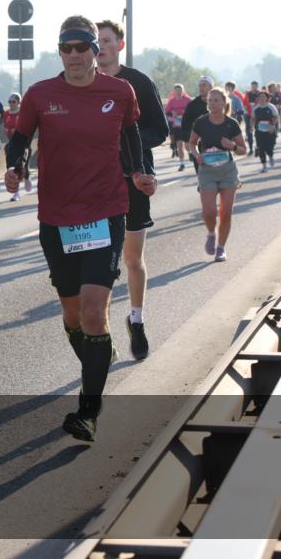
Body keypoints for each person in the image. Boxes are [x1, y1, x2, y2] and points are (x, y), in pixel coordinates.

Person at [4, 15, 155, 442]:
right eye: (65, 48)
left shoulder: (119, 91)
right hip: (56, 216)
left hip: (106, 211)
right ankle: (98, 360)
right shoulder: (40, 94)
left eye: (80, 47)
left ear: (96, 49)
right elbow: (20, 140)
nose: (73, 55)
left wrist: (139, 173)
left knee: (94, 310)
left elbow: (130, 138)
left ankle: (88, 410)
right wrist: (15, 167)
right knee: (72, 314)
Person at [97, 19, 168, 361]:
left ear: (119, 45)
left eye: (107, 41)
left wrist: (132, 150)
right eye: (95, 42)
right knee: (100, 265)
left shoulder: (138, 81)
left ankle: (136, 320)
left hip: (135, 181)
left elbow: (160, 130)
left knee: (131, 259)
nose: (100, 47)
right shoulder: (83, 84)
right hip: (95, 185)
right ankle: (102, 335)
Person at [189, 86, 247, 262]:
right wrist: (197, 155)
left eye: (216, 100)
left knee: (226, 213)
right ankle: (211, 233)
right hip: (207, 170)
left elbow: (243, 150)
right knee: (208, 212)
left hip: (227, 171)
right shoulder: (201, 122)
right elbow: (191, 143)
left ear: (224, 103)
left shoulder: (231, 123)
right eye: (210, 101)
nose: (212, 104)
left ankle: (221, 248)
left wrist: (233, 146)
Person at [3, 93, 33, 199]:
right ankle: (16, 193)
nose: (11, 104)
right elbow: (5, 125)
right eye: (9, 102)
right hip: (11, 144)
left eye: (14, 102)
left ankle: (27, 177)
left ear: (19, 102)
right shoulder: (6, 114)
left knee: (23, 165)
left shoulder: (23, 113)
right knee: (13, 166)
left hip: (24, 144)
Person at [181, 76, 213, 174]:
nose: (201, 87)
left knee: (215, 174)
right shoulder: (193, 104)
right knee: (200, 172)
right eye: (200, 85)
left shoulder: (218, 102)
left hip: (215, 143)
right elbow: (185, 123)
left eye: (204, 85)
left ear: (211, 87)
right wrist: (186, 140)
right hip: (198, 143)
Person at [164, 84, 191, 170]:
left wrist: (185, 112)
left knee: (187, 145)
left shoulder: (187, 100)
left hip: (186, 124)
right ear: (174, 92)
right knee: (179, 145)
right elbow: (167, 111)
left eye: (180, 90)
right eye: (176, 90)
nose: (178, 92)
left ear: (183, 91)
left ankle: (190, 153)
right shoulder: (172, 101)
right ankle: (182, 163)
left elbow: (192, 110)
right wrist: (173, 113)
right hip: (177, 125)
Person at [252, 90, 279, 172]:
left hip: (270, 131)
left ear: (267, 98)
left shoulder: (271, 107)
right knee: (261, 148)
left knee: (269, 148)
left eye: (263, 97)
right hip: (259, 131)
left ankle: (271, 156)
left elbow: (276, 117)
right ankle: (264, 166)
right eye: (260, 97)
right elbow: (253, 119)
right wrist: (251, 128)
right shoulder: (256, 108)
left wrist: (272, 125)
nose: (262, 99)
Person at [224, 81, 251, 155]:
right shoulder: (222, 98)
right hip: (223, 120)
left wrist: (234, 112)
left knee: (234, 136)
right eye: (226, 87)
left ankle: (237, 148)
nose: (226, 89)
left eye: (228, 88)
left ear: (232, 89)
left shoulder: (236, 99)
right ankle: (227, 150)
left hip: (233, 120)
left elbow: (242, 111)